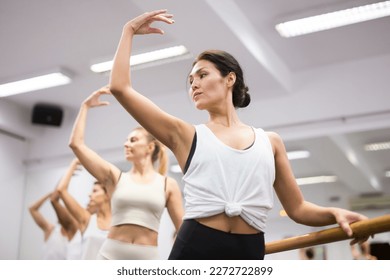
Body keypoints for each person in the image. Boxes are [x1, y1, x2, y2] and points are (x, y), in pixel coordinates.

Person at [107, 9, 370, 260]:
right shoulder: (185, 135)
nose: (194, 84)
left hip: (248, 248)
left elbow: (298, 209)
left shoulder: (270, 142)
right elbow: (120, 88)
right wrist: (128, 30)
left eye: (202, 75)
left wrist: (333, 213)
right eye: (190, 81)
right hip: (197, 245)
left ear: (229, 79)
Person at [68, 90, 184, 260]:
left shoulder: (168, 184)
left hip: (147, 258)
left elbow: (182, 231)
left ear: (150, 148)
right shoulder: (115, 177)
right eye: (126, 140)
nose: (126, 144)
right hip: (110, 255)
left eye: (133, 140)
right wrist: (85, 107)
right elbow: (76, 144)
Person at [57, 158, 111, 259]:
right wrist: (73, 164)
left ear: (108, 195)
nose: (90, 194)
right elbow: (61, 190)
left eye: (95, 191)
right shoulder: (87, 220)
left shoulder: (119, 222)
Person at [29, 170, 80, 259]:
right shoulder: (51, 230)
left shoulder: (75, 236)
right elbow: (32, 209)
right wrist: (49, 194)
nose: (60, 214)